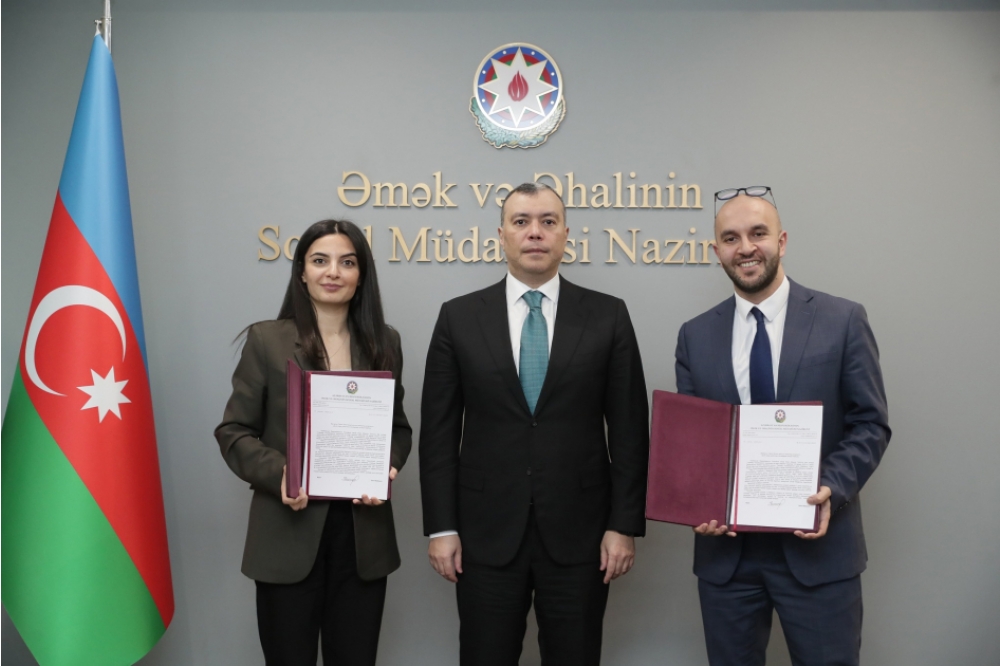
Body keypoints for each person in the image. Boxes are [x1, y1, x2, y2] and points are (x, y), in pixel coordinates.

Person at [419, 182, 649, 666]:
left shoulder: (608, 316)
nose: (535, 232)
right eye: (521, 221)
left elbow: (630, 431)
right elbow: (438, 434)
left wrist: (623, 525)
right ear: (501, 234)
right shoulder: (458, 317)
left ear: (566, 233)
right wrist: (441, 527)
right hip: (484, 534)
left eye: (548, 221)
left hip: (583, 535)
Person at [674, 187, 890, 666]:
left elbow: (870, 423)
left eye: (758, 233)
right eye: (730, 238)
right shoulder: (695, 335)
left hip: (818, 550)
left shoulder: (842, 319)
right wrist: (698, 500)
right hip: (727, 558)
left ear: (782, 241)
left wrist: (831, 487)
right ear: (716, 251)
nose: (745, 248)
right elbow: (693, 444)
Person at [215, 219, 412, 666]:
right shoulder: (267, 340)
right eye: (320, 260)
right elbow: (233, 431)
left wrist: (386, 466)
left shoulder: (385, 342)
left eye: (347, 262)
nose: (333, 272)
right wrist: (281, 474)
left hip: (362, 538)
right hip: (287, 532)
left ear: (361, 274)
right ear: (302, 272)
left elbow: (398, 429)